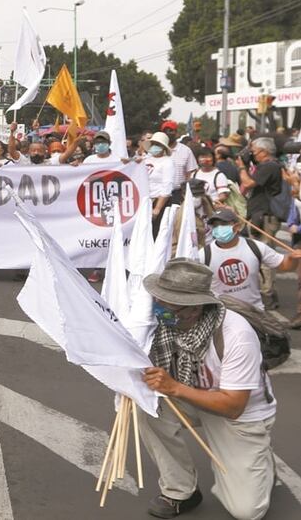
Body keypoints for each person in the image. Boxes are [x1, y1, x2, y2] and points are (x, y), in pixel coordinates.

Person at [140, 259, 277, 520]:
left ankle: (262, 463)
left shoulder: (236, 334)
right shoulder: (164, 323)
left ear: (196, 308)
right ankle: (180, 490)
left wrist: (174, 387)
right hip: (191, 395)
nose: (161, 309)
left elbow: (234, 406)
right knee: (140, 405)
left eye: (171, 305)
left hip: (237, 414)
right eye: (159, 300)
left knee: (247, 511)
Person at [199, 209, 300, 316]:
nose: (219, 228)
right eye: (215, 225)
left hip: (254, 313)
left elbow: (285, 266)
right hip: (222, 315)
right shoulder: (204, 255)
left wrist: (292, 258)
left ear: (237, 227)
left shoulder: (255, 247)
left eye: (223, 224)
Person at [236, 137, 284, 308]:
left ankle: (267, 294)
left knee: (264, 257)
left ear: (264, 151)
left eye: (254, 150)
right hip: (261, 216)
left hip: (265, 217)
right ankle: (266, 293)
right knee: (259, 256)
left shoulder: (269, 166)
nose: (252, 153)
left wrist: (242, 165)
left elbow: (248, 183)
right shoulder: (270, 166)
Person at [143, 131, 177, 234]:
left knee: (156, 232)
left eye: (158, 145)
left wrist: (157, 208)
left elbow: (167, 186)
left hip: (157, 201)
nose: (154, 147)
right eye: (153, 144)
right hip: (145, 202)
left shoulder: (167, 162)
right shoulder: (146, 160)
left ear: (163, 147)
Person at [162, 121, 197, 188]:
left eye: (171, 131)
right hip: (159, 192)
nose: (168, 133)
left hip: (178, 192)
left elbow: (191, 172)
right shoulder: (158, 150)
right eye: (166, 131)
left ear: (176, 133)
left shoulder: (186, 151)